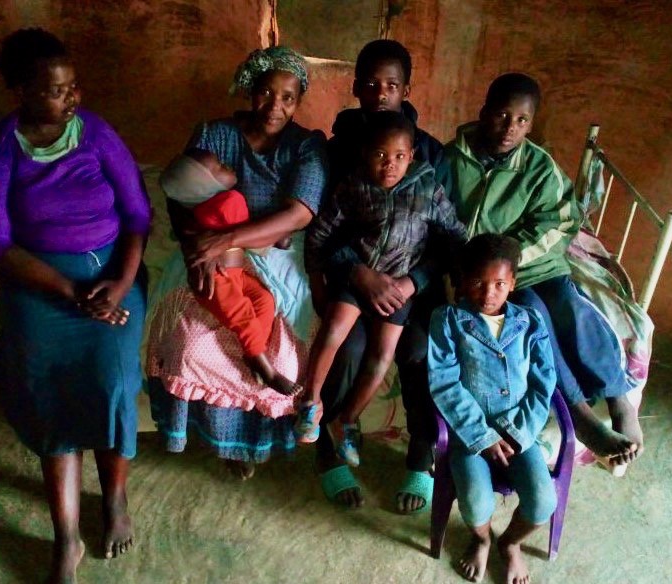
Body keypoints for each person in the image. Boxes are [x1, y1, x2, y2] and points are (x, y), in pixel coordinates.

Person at [0, 29, 150, 584]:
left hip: (108, 275)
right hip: (39, 283)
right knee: (50, 391)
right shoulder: (1, 148)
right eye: (55, 90)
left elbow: (139, 216)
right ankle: (65, 535)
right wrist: (67, 292)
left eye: (72, 88)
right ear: (21, 90)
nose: (70, 98)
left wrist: (119, 283)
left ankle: (114, 498)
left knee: (112, 381)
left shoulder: (95, 134)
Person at [435, 72, 642, 466]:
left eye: (522, 120)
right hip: (484, 276)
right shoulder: (450, 159)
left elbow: (561, 221)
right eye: (501, 115)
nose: (510, 128)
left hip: (534, 264)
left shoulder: (538, 167)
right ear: (483, 112)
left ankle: (619, 399)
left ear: (532, 123)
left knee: (570, 306)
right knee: (532, 317)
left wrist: (514, 257)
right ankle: (581, 416)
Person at [146, 46, 327, 480]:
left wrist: (227, 240)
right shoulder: (213, 133)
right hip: (208, 248)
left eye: (288, 97)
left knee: (280, 350)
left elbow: (299, 214)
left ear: (298, 100)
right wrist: (196, 249)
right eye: (266, 93)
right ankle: (219, 442)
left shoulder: (307, 145)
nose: (275, 106)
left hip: (276, 253)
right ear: (251, 90)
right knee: (192, 341)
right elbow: (179, 196)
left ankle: (254, 441)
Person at [315, 39, 448, 513]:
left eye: (391, 85)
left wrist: (414, 282)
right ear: (355, 88)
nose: (379, 94)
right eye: (369, 84)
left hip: (410, 284)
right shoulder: (337, 151)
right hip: (355, 277)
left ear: (406, 89)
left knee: (417, 350)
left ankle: (421, 455)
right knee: (348, 348)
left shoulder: (429, 152)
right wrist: (356, 270)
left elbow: (444, 236)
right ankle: (329, 448)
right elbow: (323, 224)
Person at [300, 111, 466, 468]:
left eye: (399, 157)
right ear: (364, 154)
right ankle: (311, 404)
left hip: (400, 289)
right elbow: (320, 234)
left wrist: (434, 278)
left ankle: (347, 421)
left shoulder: (428, 187)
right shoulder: (353, 185)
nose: (389, 165)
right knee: (334, 332)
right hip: (355, 276)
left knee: (382, 356)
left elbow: (454, 235)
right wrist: (317, 274)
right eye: (379, 155)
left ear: (412, 156)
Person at [428, 233, 557, 584]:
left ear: (512, 283)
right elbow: (444, 382)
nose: (488, 293)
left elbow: (543, 382)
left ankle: (510, 544)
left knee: (544, 501)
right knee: (474, 501)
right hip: (470, 433)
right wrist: (481, 436)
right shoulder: (448, 319)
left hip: (520, 431)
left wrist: (518, 433)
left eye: (500, 283)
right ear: (464, 281)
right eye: (478, 282)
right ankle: (481, 538)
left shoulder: (530, 321)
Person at [159, 148, 299, 395]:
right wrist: (276, 238)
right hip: (217, 279)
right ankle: (268, 371)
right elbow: (247, 233)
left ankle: (255, 352)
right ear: (203, 185)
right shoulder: (228, 201)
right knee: (244, 315)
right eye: (220, 167)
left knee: (264, 299)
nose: (228, 166)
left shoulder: (204, 208)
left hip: (233, 274)